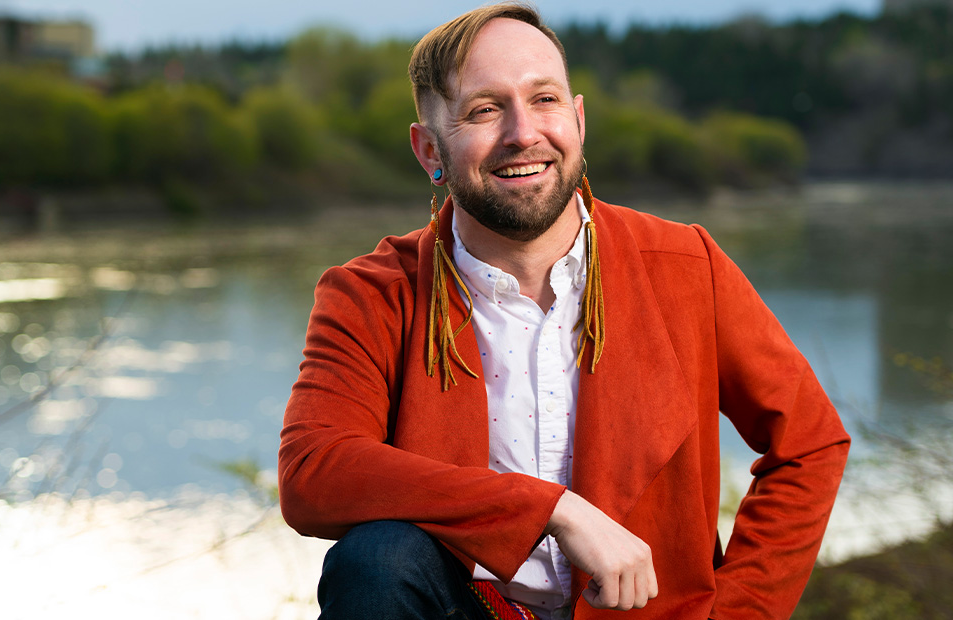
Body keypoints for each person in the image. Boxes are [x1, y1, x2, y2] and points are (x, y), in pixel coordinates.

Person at [277, 3, 850, 619]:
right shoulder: (373, 293)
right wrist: (550, 509)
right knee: (376, 559)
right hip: (470, 608)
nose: (523, 133)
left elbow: (808, 445)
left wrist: (738, 614)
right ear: (429, 151)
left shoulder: (687, 265)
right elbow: (314, 470)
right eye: (485, 109)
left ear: (577, 120)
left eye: (544, 99)